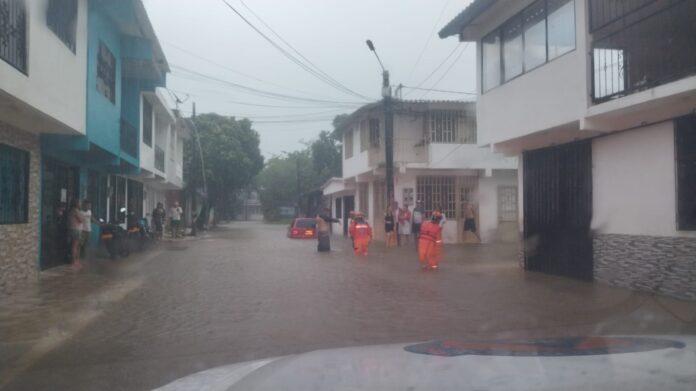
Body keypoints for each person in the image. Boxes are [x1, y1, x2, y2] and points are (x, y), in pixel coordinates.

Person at [67, 199, 84, 270]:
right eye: (79, 203)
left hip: (73, 229)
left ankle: (75, 261)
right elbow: (81, 220)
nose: (80, 204)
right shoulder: (75, 211)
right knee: (75, 246)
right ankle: (74, 262)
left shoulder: (71, 210)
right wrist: (82, 216)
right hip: (76, 230)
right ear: (76, 204)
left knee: (75, 246)